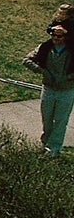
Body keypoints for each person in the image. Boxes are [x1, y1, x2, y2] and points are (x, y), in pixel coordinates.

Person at [24, 21, 74, 154]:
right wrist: (43, 71)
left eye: (60, 36)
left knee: (61, 120)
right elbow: (27, 60)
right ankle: (45, 143)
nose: (56, 39)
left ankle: (54, 149)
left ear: (66, 37)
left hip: (67, 90)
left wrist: (69, 77)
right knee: (47, 118)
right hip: (48, 89)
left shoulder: (71, 51)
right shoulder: (45, 48)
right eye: (54, 36)